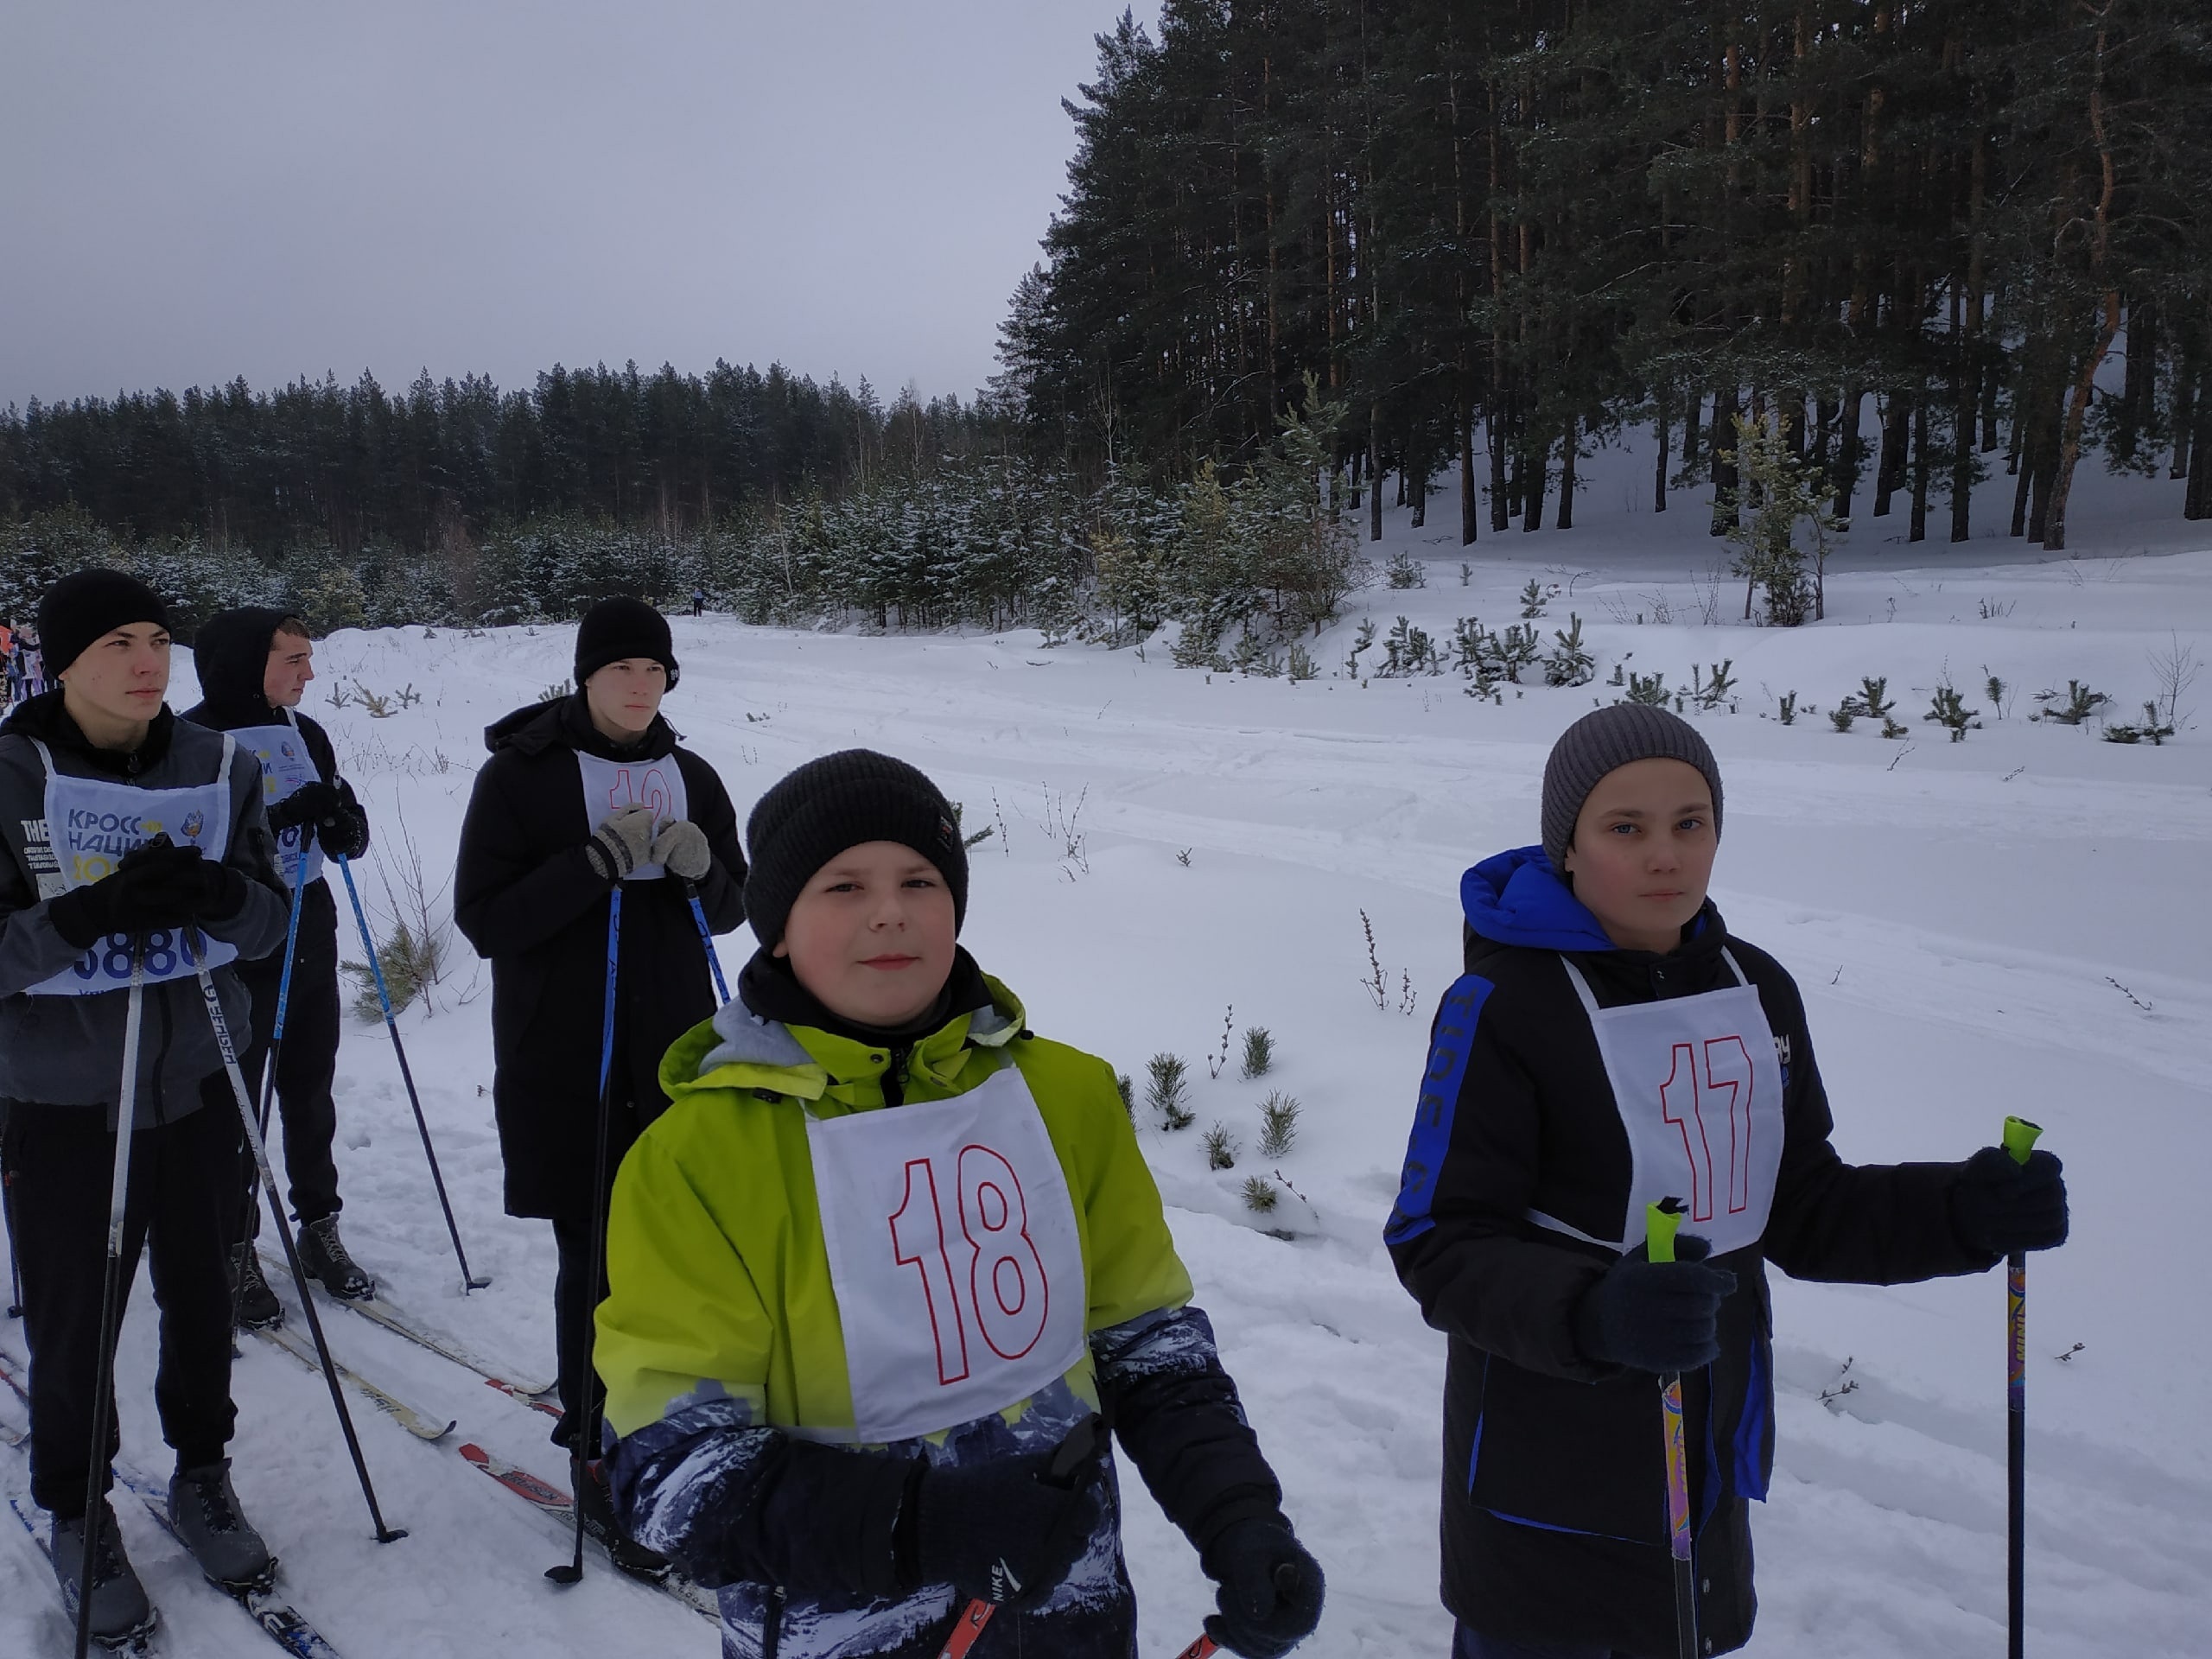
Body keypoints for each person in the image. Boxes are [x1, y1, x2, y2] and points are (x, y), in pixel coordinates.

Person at [593, 750, 1327, 1659]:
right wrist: (924, 1526)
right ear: (777, 926)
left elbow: (1145, 1341)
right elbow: (673, 1472)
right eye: (843, 886)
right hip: (847, 1631)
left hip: (1072, 1617)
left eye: (920, 879)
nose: (890, 910)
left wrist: (1238, 1519)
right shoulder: (696, 1160)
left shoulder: (1065, 1095)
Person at [1384, 704, 2070, 1659]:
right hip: (1546, 1477)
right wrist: (1591, 1311)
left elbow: (1802, 1210)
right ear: (1568, 849)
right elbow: (1439, 1242)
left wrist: (1960, 1211)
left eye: (1689, 822)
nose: (1664, 855)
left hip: (1703, 1447)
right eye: (1624, 828)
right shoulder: (1503, 1006)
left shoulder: (1755, 989)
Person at [0, 571, 291, 1642]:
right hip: (66, 1096)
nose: (145, 660)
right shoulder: (9, 777)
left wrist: (225, 899)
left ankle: (202, 1472)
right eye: (119, 640)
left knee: (204, 1296)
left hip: (200, 1078)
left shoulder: (219, 764)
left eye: (158, 638)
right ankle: (78, 1505)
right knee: (80, 1313)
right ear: (62, 658)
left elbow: (269, 924)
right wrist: (83, 919)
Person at [454, 595, 747, 1573]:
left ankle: (673, 1416)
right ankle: (595, 1441)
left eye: (655, 670)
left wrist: (706, 873)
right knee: (597, 1250)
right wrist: (590, 867)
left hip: (674, 1053)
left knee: (678, 1250)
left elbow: (734, 903)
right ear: (585, 676)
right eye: (620, 668)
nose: (638, 685)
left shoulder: (691, 774)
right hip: (563, 1056)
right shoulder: (520, 776)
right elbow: (486, 920)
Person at [183, 608, 375, 1323]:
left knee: (308, 1081)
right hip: (232, 935)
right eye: (293, 659)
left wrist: (341, 823)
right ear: (243, 662)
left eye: (308, 657)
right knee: (237, 1090)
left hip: (307, 916)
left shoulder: (305, 732)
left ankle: (319, 1225)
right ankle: (231, 1241)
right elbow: (191, 846)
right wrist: (280, 817)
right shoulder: (192, 738)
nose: (309, 673)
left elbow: (346, 832)